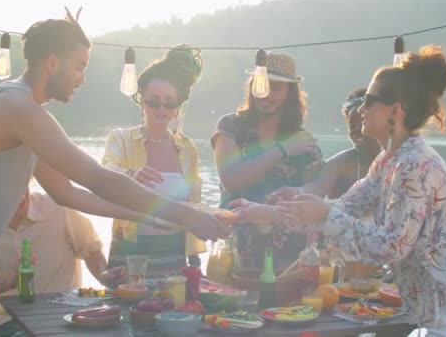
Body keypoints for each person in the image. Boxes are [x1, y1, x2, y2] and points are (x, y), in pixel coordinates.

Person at [0, 10, 228, 336]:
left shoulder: (29, 117)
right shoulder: (17, 109)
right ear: (53, 62)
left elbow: (67, 193)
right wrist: (186, 215)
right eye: (80, 66)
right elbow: (100, 179)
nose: (83, 78)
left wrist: (152, 216)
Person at [242, 46, 446, 336]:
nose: (360, 108)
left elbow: (391, 246)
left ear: (395, 111)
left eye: (369, 101)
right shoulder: (389, 160)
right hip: (444, 311)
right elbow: (345, 208)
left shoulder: (414, 165)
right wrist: (272, 213)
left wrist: (325, 215)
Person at [211, 51, 322, 269]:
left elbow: (316, 195)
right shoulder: (231, 127)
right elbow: (230, 179)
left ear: (290, 94)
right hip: (235, 251)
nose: (266, 94)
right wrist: (282, 150)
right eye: (261, 85)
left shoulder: (302, 140)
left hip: (288, 257)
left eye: (276, 88)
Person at [102, 44, 206, 276]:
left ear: (178, 105)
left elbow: (193, 205)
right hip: (129, 250)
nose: (162, 108)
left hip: (175, 253)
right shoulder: (120, 139)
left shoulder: (188, 149)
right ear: (141, 100)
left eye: (169, 102)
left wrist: (195, 262)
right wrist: (130, 174)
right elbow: (105, 172)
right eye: (153, 101)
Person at [0, 188, 126, 335]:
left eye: (21, 178)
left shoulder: (58, 207)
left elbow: (91, 250)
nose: (17, 187)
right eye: (7, 182)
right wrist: (8, 281)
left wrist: (103, 276)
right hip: (3, 323)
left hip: (63, 317)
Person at [268, 88, 381, 201]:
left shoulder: (394, 160)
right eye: (351, 125)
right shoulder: (341, 162)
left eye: (362, 122)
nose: (356, 130)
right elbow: (317, 188)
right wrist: (296, 192)